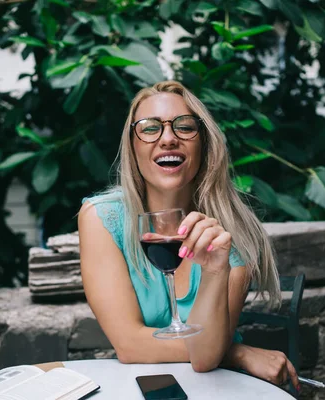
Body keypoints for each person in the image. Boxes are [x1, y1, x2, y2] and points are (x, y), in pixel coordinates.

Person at [78, 80, 300, 392]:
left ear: (203, 144)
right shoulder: (102, 219)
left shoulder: (233, 236)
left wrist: (213, 269)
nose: (168, 138)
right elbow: (129, 345)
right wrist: (234, 352)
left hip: (217, 390)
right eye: (150, 128)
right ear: (132, 146)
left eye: (184, 127)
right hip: (138, 388)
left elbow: (205, 359)